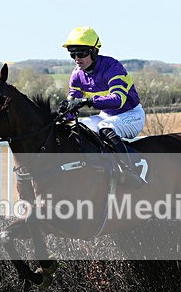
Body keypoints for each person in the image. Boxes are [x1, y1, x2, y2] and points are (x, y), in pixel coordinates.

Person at [58, 26, 146, 187]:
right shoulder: (77, 75)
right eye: (72, 53)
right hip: (106, 115)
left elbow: (118, 99)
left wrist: (88, 102)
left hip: (131, 114)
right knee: (77, 128)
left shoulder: (112, 67)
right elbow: (72, 107)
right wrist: (63, 112)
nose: (77, 58)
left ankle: (130, 172)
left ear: (94, 51)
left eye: (82, 53)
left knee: (106, 128)